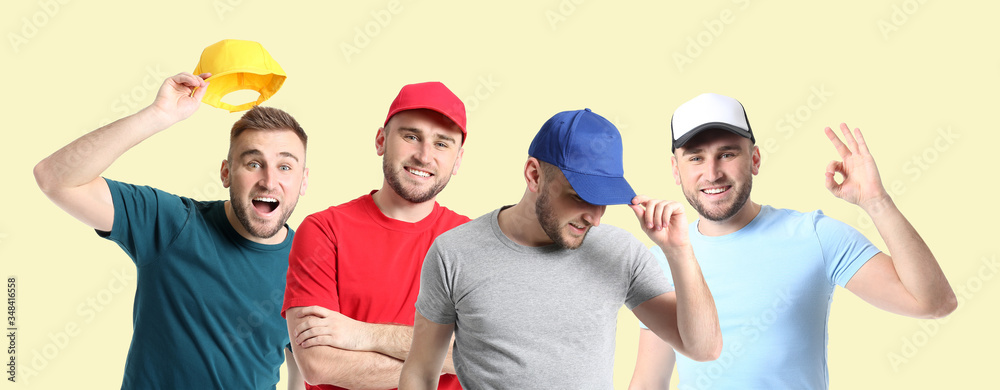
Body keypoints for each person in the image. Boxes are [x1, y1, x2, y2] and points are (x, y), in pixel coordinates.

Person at [627, 93, 958, 390]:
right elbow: (649, 381)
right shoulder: (663, 259)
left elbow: (934, 303)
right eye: (696, 158)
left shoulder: (815, 236)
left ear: (754, 159)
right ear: (676, 169)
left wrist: (876, 201)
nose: (712, 173)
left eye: (727, 154)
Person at [400, 108, 723, 389]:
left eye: (604, 201)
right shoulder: (454, 253)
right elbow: (420, 371)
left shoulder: (620, 252)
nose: (595, 219)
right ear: (533, 175)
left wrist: (679, 251)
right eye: (580, 197)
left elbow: (704, 348)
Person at [32, 72, 310, 389]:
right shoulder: (172, 224)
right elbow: (55, 178)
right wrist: (157, 115)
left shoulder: (310, 266)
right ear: (226, 173)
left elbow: (300, 364)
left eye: (285, 166)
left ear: (303, 181)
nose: (269, 180)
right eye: (253, 163)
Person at [281, 82, 470, 390]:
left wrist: (361, 335)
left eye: (442, 143)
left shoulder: (472, 243)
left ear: (458, 159)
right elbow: (318, 366)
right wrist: (447, 359)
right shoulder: (324, 230)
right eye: (411, 136)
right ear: (381, 140)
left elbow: (489, 351)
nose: (424, 156)